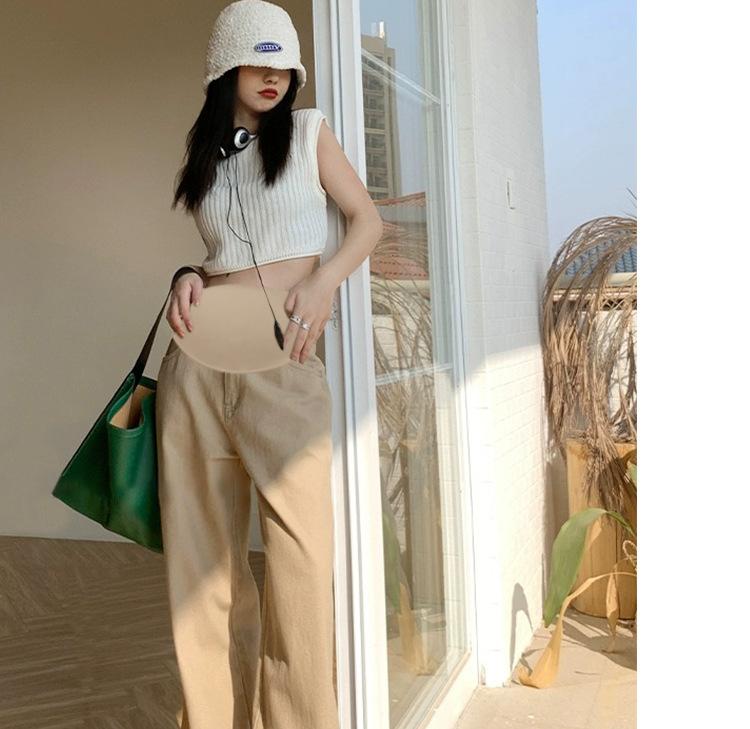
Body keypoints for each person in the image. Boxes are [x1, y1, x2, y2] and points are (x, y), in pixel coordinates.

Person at [155, 2, 383, 728]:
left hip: (284, 362)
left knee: (302, 565)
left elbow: (367, 220)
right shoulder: (207, 155)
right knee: (201, 571)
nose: (273, 76)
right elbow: (223, 257)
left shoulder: (310, 133)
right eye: (257, 62)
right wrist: (188, 275)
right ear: (224, 67)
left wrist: (323, 282)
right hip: (196, 366)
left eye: (283, 64)